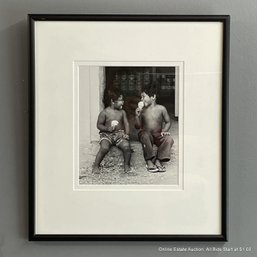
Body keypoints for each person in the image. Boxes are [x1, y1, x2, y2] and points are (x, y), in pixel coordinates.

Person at [135, 86, 174, 172]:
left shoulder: (161, 109)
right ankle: (149, 160)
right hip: (146, 135)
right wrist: (137, 116)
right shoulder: (142, 110)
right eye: (141, 97)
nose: (141, 99)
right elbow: (137, 126)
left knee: (169, 139)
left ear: (153, 97)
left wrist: (164, 130)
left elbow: (168, 122)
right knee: (144, 135)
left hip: (158, 134)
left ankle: (158, 160)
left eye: (143, 96)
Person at [92, 92, 131, 174]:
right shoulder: (105, 112)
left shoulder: (122, 112)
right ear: (113, 101)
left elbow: (126, 123)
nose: (123, 102)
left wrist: (126, 134)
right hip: (106, 135)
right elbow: (99, 125)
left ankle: (126, 165)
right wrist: (107, 128)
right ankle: (96, 166)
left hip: (119, 134)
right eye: (120, 100)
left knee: (126, 147)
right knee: (104, 148)